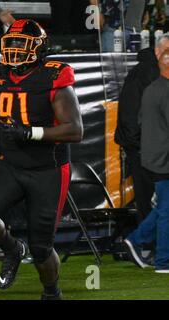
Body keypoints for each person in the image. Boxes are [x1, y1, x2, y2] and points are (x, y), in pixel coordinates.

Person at [0, 19, 83, 300]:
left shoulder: (53, 77)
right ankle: (12, 248)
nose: (16, 51)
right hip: (10, 162)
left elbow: (74, 130)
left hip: (48, 169)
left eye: (23, 44)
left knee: (42, 247)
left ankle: (51, 293)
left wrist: (29, 132)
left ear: (40, 48)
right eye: (12, 43)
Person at [124, 48, 169, 273]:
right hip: (162, 158)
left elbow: (141, 121)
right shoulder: (161, 88)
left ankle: (137, 240)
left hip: (152, 155)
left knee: (164, 207)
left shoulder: (152, 87)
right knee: (165, 209)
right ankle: (162, 260)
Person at [115, 34, 169, 222]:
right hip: (146, 152)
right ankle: (148, 247)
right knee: (153, 203)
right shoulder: (145, 73)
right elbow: (130, 116)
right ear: (157, 51)